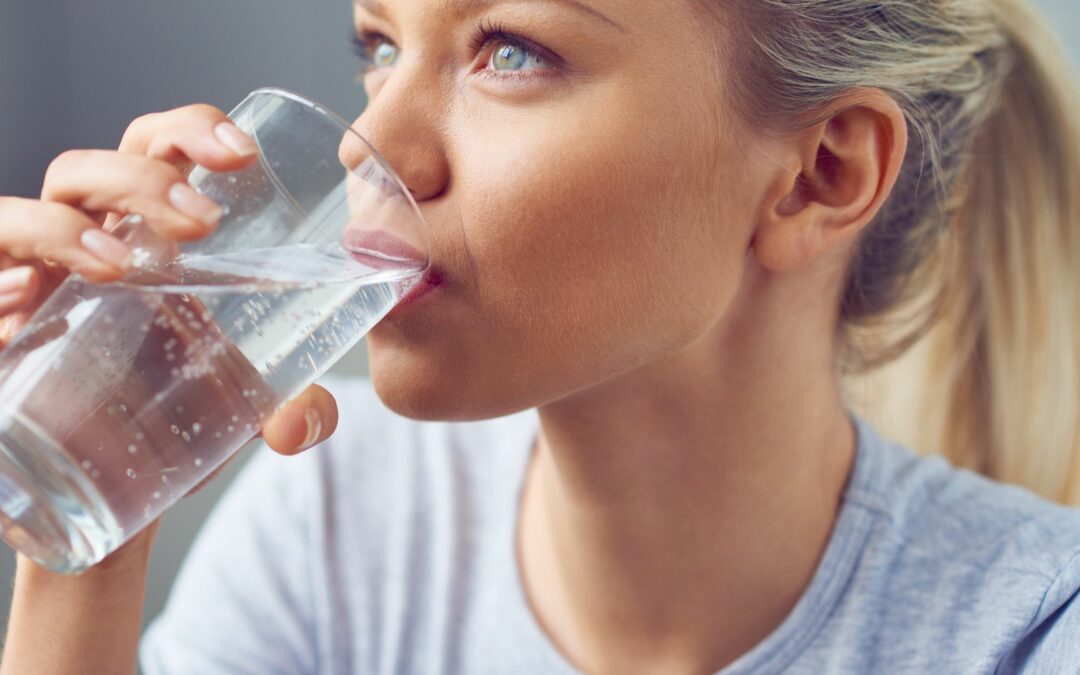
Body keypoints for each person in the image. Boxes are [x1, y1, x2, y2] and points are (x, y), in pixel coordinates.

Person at [1, 0, 1079, 672]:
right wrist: (95, 495)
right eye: (379, 43)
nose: (371, 144)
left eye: (510, 50)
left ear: (819, 176)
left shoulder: (1034, 629)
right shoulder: (340, 516)